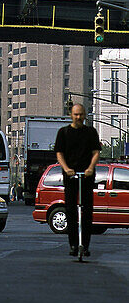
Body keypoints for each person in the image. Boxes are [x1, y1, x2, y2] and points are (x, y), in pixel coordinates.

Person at [55, 104, 100, 258]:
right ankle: (73, 244)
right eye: (75, 114)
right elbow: (59, 153)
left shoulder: (91, 132)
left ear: (85, 115)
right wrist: (66, 168)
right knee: (71, 210)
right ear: (71, 115)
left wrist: (90, 168)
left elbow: (95, 152)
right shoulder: (64, 132)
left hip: (86, 176)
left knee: (87, 211)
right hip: (70, 175)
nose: (78, 117)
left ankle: (85, 246)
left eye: (81, 114)